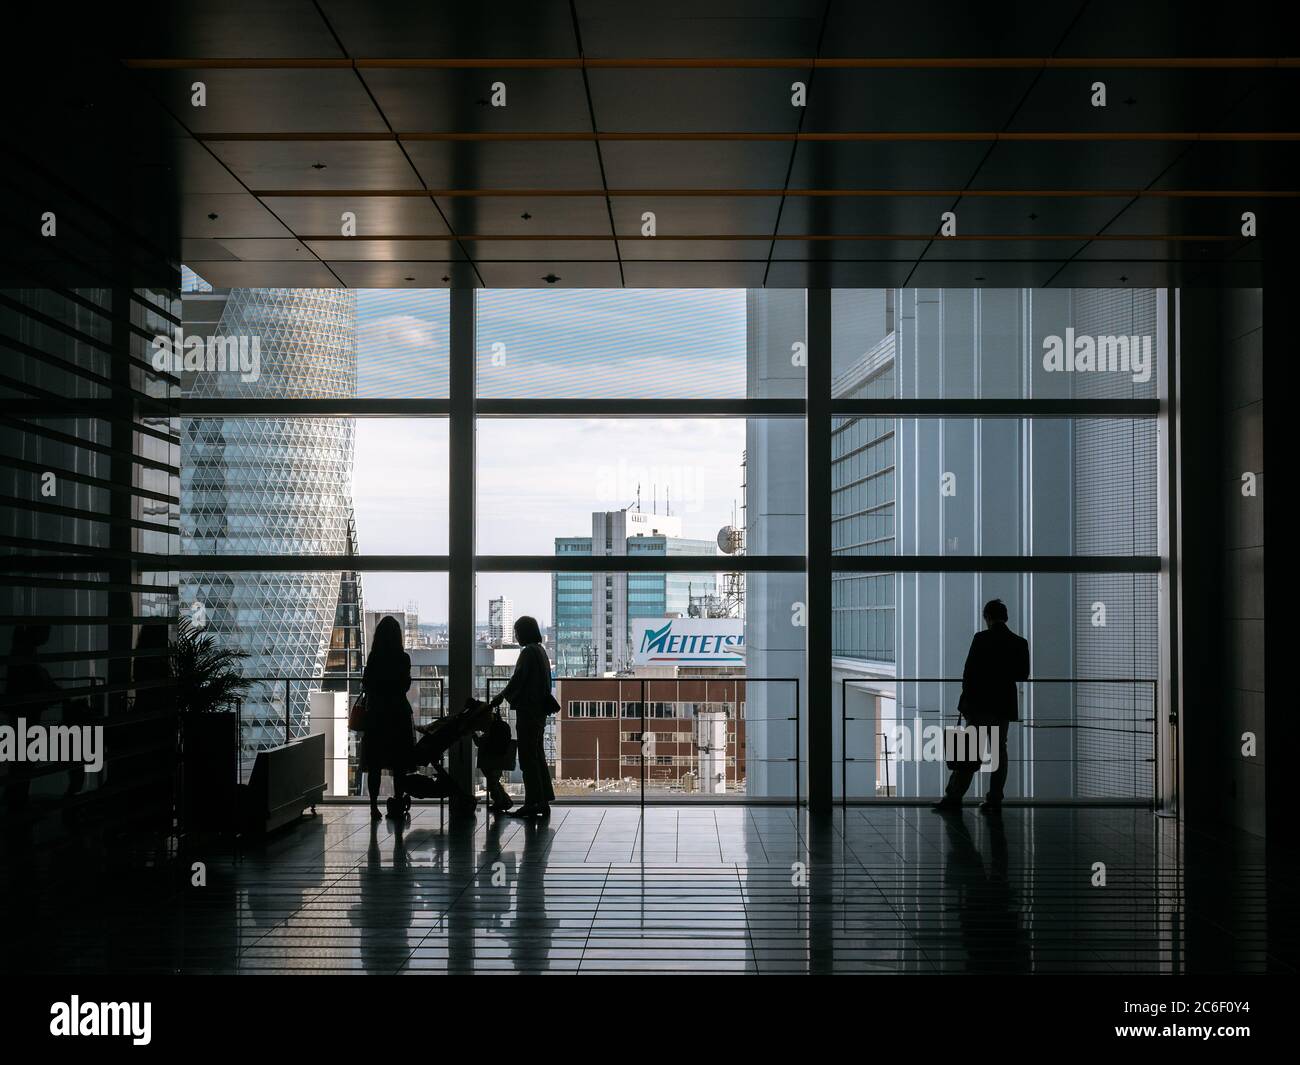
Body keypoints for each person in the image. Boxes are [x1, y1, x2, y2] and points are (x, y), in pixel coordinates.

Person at [933, 599, 1029, 815]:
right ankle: (994, 798)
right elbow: (1022, 674)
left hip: (980, 704)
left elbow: (969, 673)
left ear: (987, 617)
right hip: (1003, 706)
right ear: (1005, 617)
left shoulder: (981, 639)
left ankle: (954, 796)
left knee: (968, 751)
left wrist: (966, 701)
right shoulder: (1020, 642)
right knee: (999, 751)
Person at [490, 616, 555, 818]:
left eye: (517, 632)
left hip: (528, 711)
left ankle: (532, 802)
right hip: (539, 712)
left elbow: (517, 680)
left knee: (527, 759)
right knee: (537, 756)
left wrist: (500, 696)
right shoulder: (541, 651)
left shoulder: (527, 653)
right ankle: (542, 800)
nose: (516, 636)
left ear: (524, 632)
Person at [361, 615, 416, 820]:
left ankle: (374, 806)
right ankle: (398, 803)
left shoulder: (374, 657)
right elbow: (405, 686)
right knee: (399, 764)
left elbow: (367, 684)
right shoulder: (403, 658)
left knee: (374, 763)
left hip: (376, 715)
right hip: (398, 714)